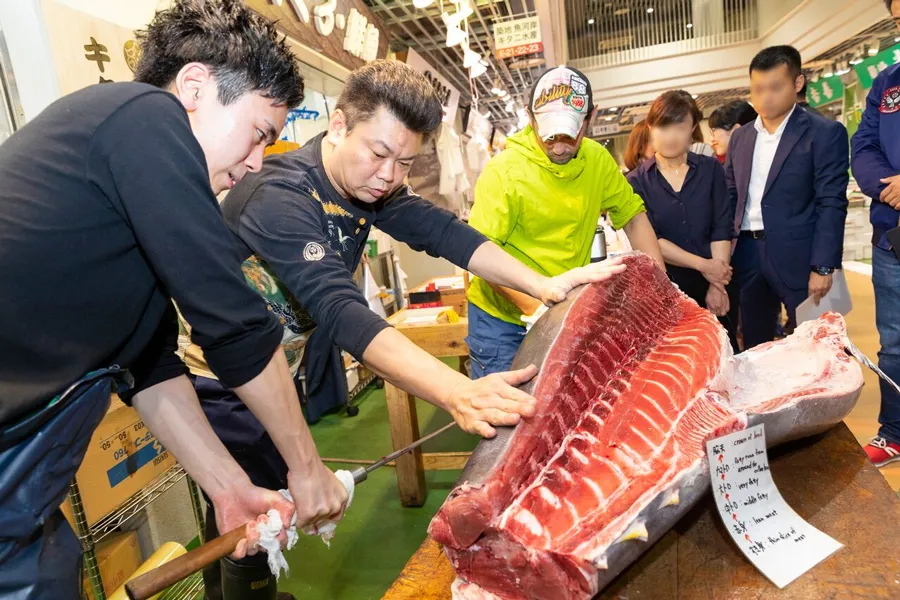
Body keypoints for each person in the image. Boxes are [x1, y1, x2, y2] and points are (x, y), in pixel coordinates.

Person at [177, 59, 627, 598]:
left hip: (272, 369)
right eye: (379, 153)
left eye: (405, 163)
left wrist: (545, 286)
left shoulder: (369, 184)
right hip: (217, 381)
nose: (390, 175)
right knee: (254, 515)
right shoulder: (278, 196)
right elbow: (343, 311)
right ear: (339, 126)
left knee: (247, 512)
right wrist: (457, 391)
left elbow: (447, 234)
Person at [0, 2, 355, 597]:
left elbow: (151, 368)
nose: (255, 163)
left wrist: (227, 487)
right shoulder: (143, 117)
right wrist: (307, 468)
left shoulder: (124, 195)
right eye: (257, 134)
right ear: (194, 86)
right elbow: (235, 324)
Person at [466, 65, 664, 378]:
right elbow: (478, 253)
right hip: (503, 320)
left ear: (590, 117)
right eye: (549, 137)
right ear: (530, 118)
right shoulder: (504, 171)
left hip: (565, 309)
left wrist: (660, 288)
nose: (559, 147)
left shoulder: (597, 160)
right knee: (505, 416)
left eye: (570, 135)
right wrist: (536, 311)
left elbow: (634, 218)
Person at [726, 45, 849, 349]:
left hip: (802, 258)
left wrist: (823, 266)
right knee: (754, 348)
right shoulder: (741, 138)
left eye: (775, 87)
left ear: (797, 83)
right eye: (757, 89)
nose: (765, 97)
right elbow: (731, 195)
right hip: (747, 256)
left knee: (816, 348)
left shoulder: (824, 133)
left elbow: (831, 202)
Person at [627, 91, 740, 352]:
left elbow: (721, 226)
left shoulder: (711, 170)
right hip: (669, 288)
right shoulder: (636, 181)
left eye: (680, 127)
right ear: (650, 128)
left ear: (693, 129)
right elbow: (651, 240)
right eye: (663, 127)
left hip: (718, 282)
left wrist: (716, 282)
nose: (671, 136)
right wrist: (706, 267)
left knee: (725, 354)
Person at [850, 0, 900, 466]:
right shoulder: (886, 82)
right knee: (894, 341)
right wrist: (890, 186)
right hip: (892, 239)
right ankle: (894, 431)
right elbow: (863, 145)